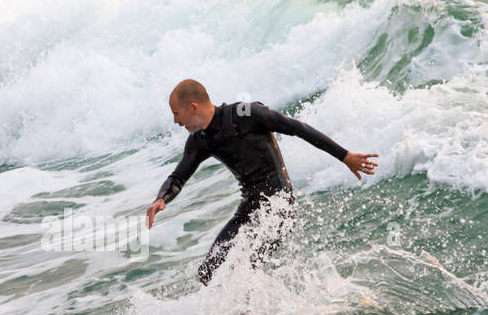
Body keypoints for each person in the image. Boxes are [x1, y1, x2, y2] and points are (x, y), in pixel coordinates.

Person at [145, 79, 378, 284]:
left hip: (279, 205)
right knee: (208, 272)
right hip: (248, 208)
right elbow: (177, 178)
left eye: (176, 113)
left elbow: (298, 128)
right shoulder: (199, 141)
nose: (175, 121)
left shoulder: (246, 113)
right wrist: (161, 198)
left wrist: (344, 156)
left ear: (192, 107)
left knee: (240, 270)